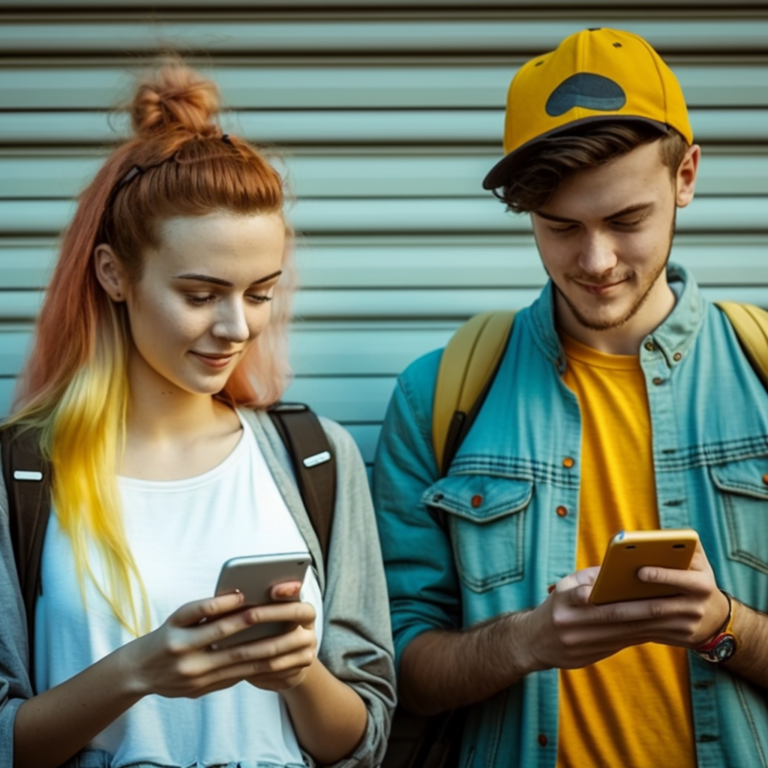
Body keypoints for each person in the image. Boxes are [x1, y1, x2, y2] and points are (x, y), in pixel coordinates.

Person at [373, 27, 768, 768]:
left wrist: (723, 625)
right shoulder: (440, 394)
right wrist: (527, 641)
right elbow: (398, 670)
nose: (595, 262)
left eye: (626, 221)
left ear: (686, 177)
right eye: (560, 228)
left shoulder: (763, 373)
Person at [0, 61, 395, 768]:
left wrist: (299, 672)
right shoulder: (19, 475)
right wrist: (137, 673)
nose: (239, 328)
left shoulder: (318, 458)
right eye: (202, 293)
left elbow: (363, 741)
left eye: (260, 292)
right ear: (114, 275)